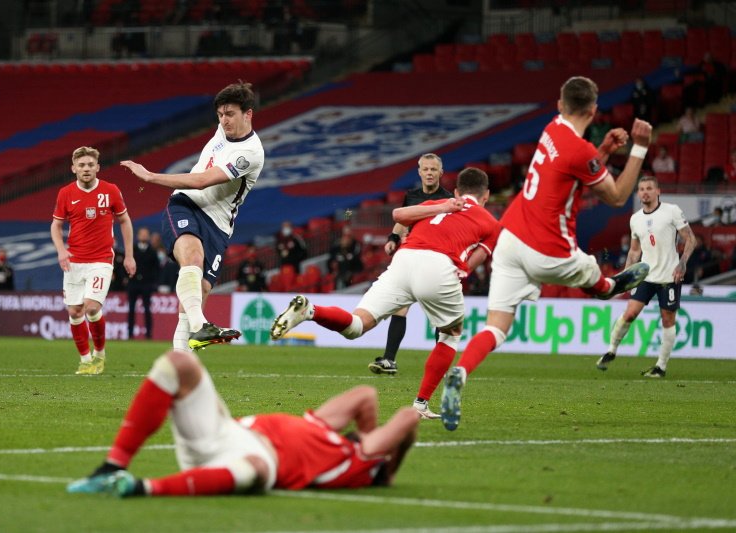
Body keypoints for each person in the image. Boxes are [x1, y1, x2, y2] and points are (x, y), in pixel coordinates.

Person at [440, 76, 653, 432]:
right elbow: (616, 197)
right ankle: (608, 287)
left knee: (497, 328)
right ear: (593, 110)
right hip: (549, 249)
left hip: (509, 240)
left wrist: (602, 152)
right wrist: (639, 148)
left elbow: (571, 171)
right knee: (594, 279)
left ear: (559, 105)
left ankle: (460, 372)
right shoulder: (579, 150)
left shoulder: (552, 130)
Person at [271, 168, 501, 420]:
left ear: (456, 191)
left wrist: (443, 206)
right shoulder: (491, 222)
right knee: (450, 335)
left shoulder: (437, 203)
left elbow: (398, 215)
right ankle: (421, 404)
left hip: (404, 260)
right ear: (486, 195)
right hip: (440, 265)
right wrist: (458, 273)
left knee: (357, 325)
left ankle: (310, 311)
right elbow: (473, 262)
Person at [66, 349, 419, 497]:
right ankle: (110, 467)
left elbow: (407, 418)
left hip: (257, 460)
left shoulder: (351, 458)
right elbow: (366, 395)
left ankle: (140, 488)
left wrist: (388, 467)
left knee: (254, 470)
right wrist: (369, 434)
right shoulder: (324, 430)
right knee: (179, 363)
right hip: (225, 433)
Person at [120, 82, 264, 352]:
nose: (223, 120)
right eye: (220, 114)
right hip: (184, 204)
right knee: (193, 259)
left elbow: (202, 181)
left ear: (249, 114)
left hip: (218, 225)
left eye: (230, 114)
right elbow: (193, 190)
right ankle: (202, 326)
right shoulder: (224, 128)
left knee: (200, 291)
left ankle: (180, 364)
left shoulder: (251, 154)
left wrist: (150, 176)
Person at [597, 176, 696, 378]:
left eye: (649, 188)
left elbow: (690, 239)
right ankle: (611, 350)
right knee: (630, 313)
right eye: (641, 189)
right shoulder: (635, 219)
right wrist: (625, 277)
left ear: (658, 191)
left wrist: (683, 262)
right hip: (646, 275)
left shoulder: (671, 211)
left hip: (670, 275)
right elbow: (634, 253)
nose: (645, 192)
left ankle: (661, 366)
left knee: (668, 320)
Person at [51, 146, 136, 376]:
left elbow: (125, 221)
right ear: (73, 169)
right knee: (75, 312)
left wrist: (128, 255)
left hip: (101, 260)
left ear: (97, 167)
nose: (86, 169)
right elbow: (56, 225)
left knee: (91, 307)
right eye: (81, 165)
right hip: (74, 261)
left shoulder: (110, 190)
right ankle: (86, 360)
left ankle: (100, 354)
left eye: (90, 165)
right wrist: (61, 250)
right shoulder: (65, 193)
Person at [370, 153, 453, 376]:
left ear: (440, 173)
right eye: (425, 169)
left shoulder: (448, 200)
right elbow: (403, 221)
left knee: (439, 316)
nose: (429, 173)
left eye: (433, 169)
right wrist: (393, 239)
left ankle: (440, 366)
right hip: (411, 260)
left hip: (435, 262)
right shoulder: (412, 196)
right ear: (419, 172)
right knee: (400, 308)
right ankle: (389, 360)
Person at [128, 227, 161, 339]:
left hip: (147, 284)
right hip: (133, 283)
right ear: (138, 236)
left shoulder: (152, 251)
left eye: (146, 234)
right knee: (131, 309)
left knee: (147, 309)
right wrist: (126, 278)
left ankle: (148, 334)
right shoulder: (132, 250)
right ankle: (130, 333)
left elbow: (156, 268)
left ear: (148, 236)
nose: (144, 236)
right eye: (142, 234)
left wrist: (154, 283)